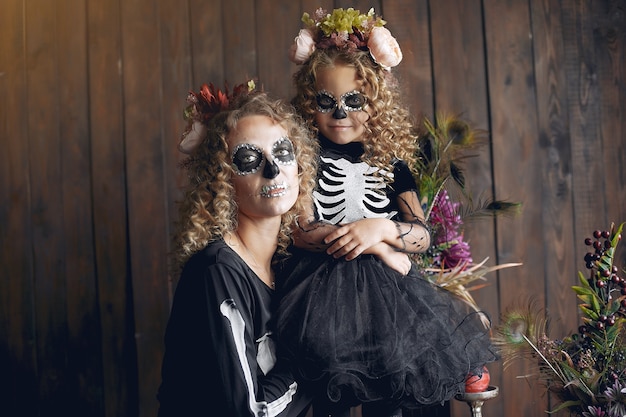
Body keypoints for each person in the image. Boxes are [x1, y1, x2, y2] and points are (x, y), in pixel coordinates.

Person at [275, 8, 497, 417]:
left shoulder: (391, 165)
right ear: (310, 103)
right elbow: (300, 229)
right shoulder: (304, 158)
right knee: (332, 390)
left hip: (393, 301)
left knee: (402, 385)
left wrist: (380, 227)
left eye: (354, 101)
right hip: (320, 298)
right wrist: (378, 247)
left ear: (376, 101)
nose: (340, 113)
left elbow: (421, 235)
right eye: (327, 102)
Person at [157, 82, 318, 417]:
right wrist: (318, 359)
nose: (273, 169)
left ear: (299, 166)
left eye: (283, 152)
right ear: (223, 180)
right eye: (248, 158)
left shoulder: (289, 264)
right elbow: (251, 410)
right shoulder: (216, 271)